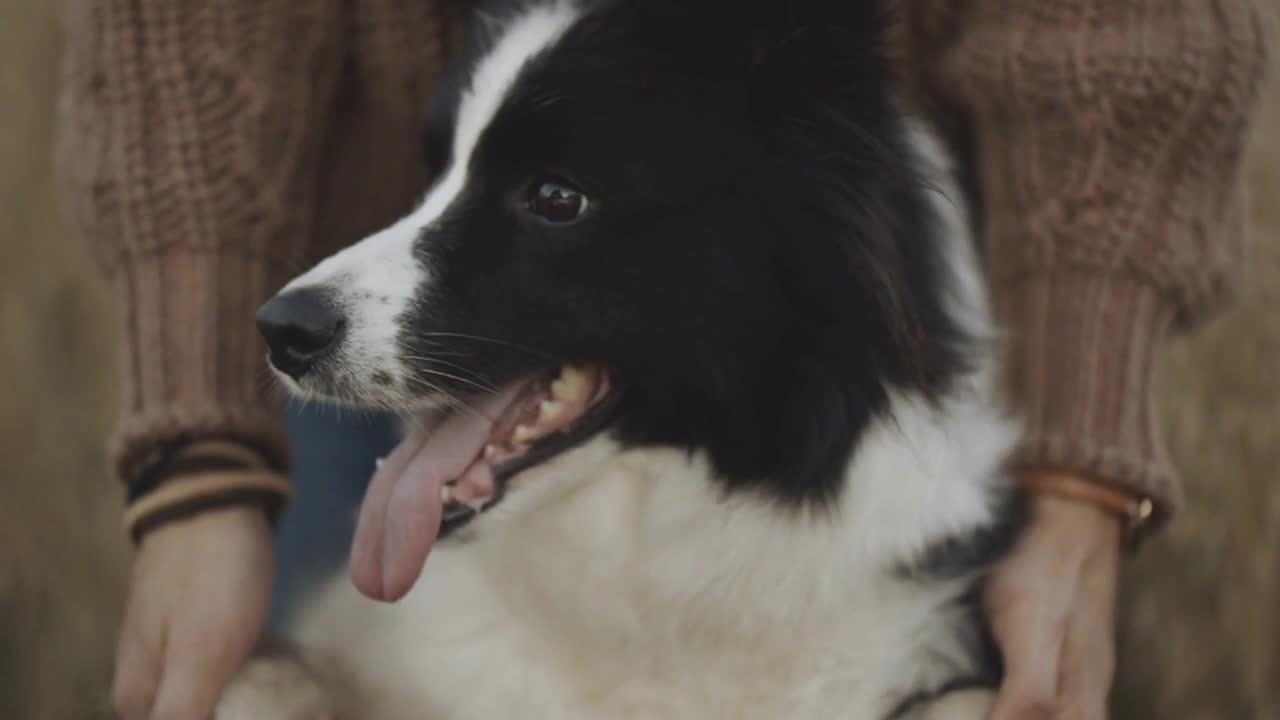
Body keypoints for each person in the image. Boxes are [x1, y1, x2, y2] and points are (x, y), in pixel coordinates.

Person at [56, 1, 1269, 719]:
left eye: (551, 196)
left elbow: (1126, 35)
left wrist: (1079, 485)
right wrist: (197, 463)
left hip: (850, 367)